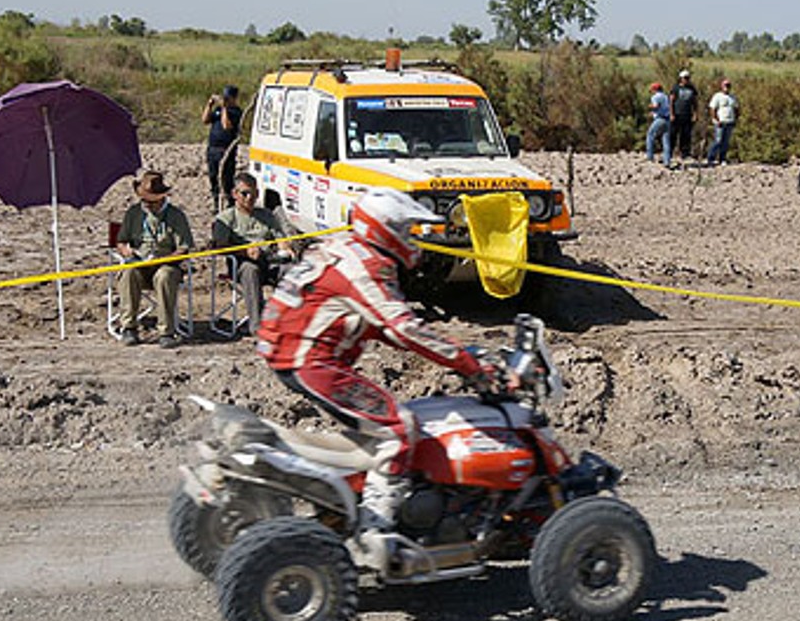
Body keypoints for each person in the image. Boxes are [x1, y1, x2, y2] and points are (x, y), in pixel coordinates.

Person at [254, 187, 511, 570]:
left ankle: (355, 503)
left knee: (372, 433)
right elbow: (406, 329)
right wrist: (470, 365)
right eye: (408, 232)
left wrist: (444, 349)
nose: (414, 240)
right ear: (386, 231)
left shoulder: (344, 246)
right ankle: (375, 533)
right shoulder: (368, 265)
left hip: (291, 348)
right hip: (311, 359)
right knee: (398, 428)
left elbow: (375, 322)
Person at [115, 170, 195, 347]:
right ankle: (129, 327)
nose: (147, 204)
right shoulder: (133, 213)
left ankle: (166, 331)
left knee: (164, 276)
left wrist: (165, 259)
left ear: (161, 198)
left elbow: (184, 248)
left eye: (151, 200)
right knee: (128, 273)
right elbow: (120, 241)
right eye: (143, 199)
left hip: (166, 265)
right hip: (139, 263)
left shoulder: (176, 216)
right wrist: (125, 250)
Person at [213, 172, 298, 308]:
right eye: (245, 193)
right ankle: (256, 326)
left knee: (291, 270)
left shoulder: (267, 215)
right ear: (235, 194)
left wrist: (286, 247)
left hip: (269, 261)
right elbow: (219, 247)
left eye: (254, 193)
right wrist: (244, 252)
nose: (250, 198)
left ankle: (288, 320)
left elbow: (280, 238)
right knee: (250, 271)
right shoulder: (225, 218)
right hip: (241, 264)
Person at [202, 84, 242, 211]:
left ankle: (230, 203)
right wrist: (209, 105)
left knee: (226, 178)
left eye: (228, 98)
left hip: (226, 150)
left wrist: (225, 108)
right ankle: (215, 202)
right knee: (213, 177)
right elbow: (205, 120)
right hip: (213, 149)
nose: (225, 100)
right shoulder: (218, 110)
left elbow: (226, 125)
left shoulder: (236, 112)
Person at [704, 78, 739, 167]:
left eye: (728, 85)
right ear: (721, 86)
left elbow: (736, 108)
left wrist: (736, 119)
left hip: (730, 122)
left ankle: (722, 158)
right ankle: (710, 158)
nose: (727, 87)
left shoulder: (733, 97)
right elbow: (712, 108)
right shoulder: (717, 96)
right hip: (720, 122)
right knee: (718, 140)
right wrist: (715, 119)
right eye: (725, 85)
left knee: (726, 142)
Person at [669, 69, 700, 163]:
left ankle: (685, 153)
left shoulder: (692, 89)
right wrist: (671, 113)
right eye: (685, 78)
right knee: (673, 134)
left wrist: (695, 113)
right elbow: (671, 101)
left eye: (688, 78)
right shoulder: (676, 88)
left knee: (686, 135)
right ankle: (669, 152)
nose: (686, 80)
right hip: (677, 114)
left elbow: (695, 102)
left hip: (687, 114)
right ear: (681, 78)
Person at [644, 82, 672, 167]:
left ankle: (650, 156)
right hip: (667, 119)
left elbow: (656, 106)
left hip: (660, 118)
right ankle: (667, 161)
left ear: (655, 89)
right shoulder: (665, 96)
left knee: (650, 135)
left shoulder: (655, 97)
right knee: (666, 140)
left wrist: (650, 107)